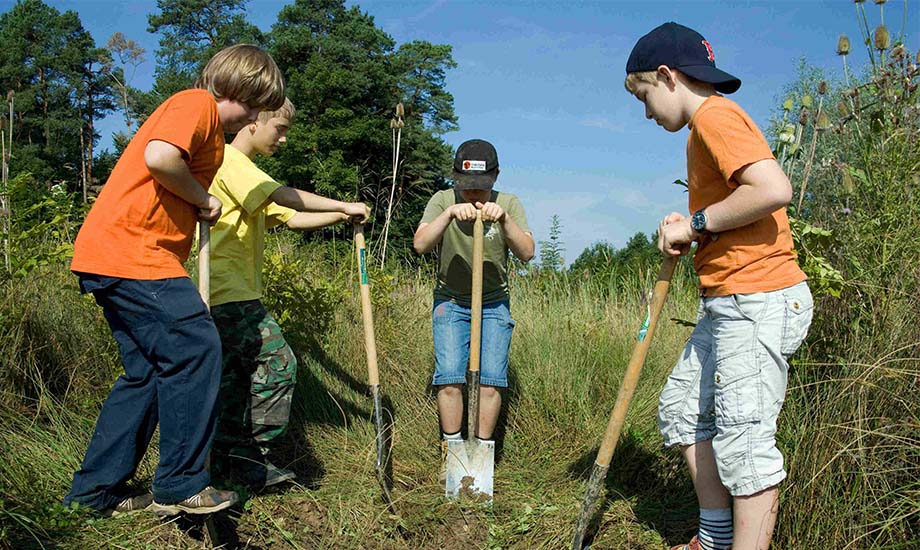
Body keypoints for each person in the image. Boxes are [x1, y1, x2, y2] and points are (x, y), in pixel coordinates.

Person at [63, 44, 285, 517]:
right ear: (240, 91)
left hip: (110, 255)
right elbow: (161, 158)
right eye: (254, 105)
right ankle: (181, 483)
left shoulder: (206, 126)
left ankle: (95, 494)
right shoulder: (196, 104)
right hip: (134, 254)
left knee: (145, 374)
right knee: (197, 345)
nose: (251, 117)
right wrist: (202, 198)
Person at [624, 22, 814, 550]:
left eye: (644, 98)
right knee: (683, 412)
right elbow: (734, 208)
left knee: (745, 446)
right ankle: (714, 539)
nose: (646, 113)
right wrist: (690, 224)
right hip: (727, 301)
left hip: (758, 298)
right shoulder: (704, 129)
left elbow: (775, 188)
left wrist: (698, 222)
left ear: (666, 76)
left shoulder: (715, 117)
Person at [207, 98, 369, 490]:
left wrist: (342, 216)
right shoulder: (231, 162)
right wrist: (342, 202)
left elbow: (292, 218)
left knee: (234, 382)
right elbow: (284, 196)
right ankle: (247, 460)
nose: (283, 139)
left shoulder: (246, 175)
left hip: (236, 291)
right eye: (278, 129)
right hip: (226, 290)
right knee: (279, 365)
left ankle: (229, 464)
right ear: (252, 123)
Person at [413, 139, 534, 470]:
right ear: (455, 178)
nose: (474, 194)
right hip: (450, 302)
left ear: (495, 178)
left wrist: (505, 220)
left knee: (491, 379)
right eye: (466, 187)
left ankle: (480, 460)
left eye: (481, 188)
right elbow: (421, 244)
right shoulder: (442, 200)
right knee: (450, 376)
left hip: (494, 304)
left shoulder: (508, 202)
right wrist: (450, 214)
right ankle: (453, 458)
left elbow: (527, 252)